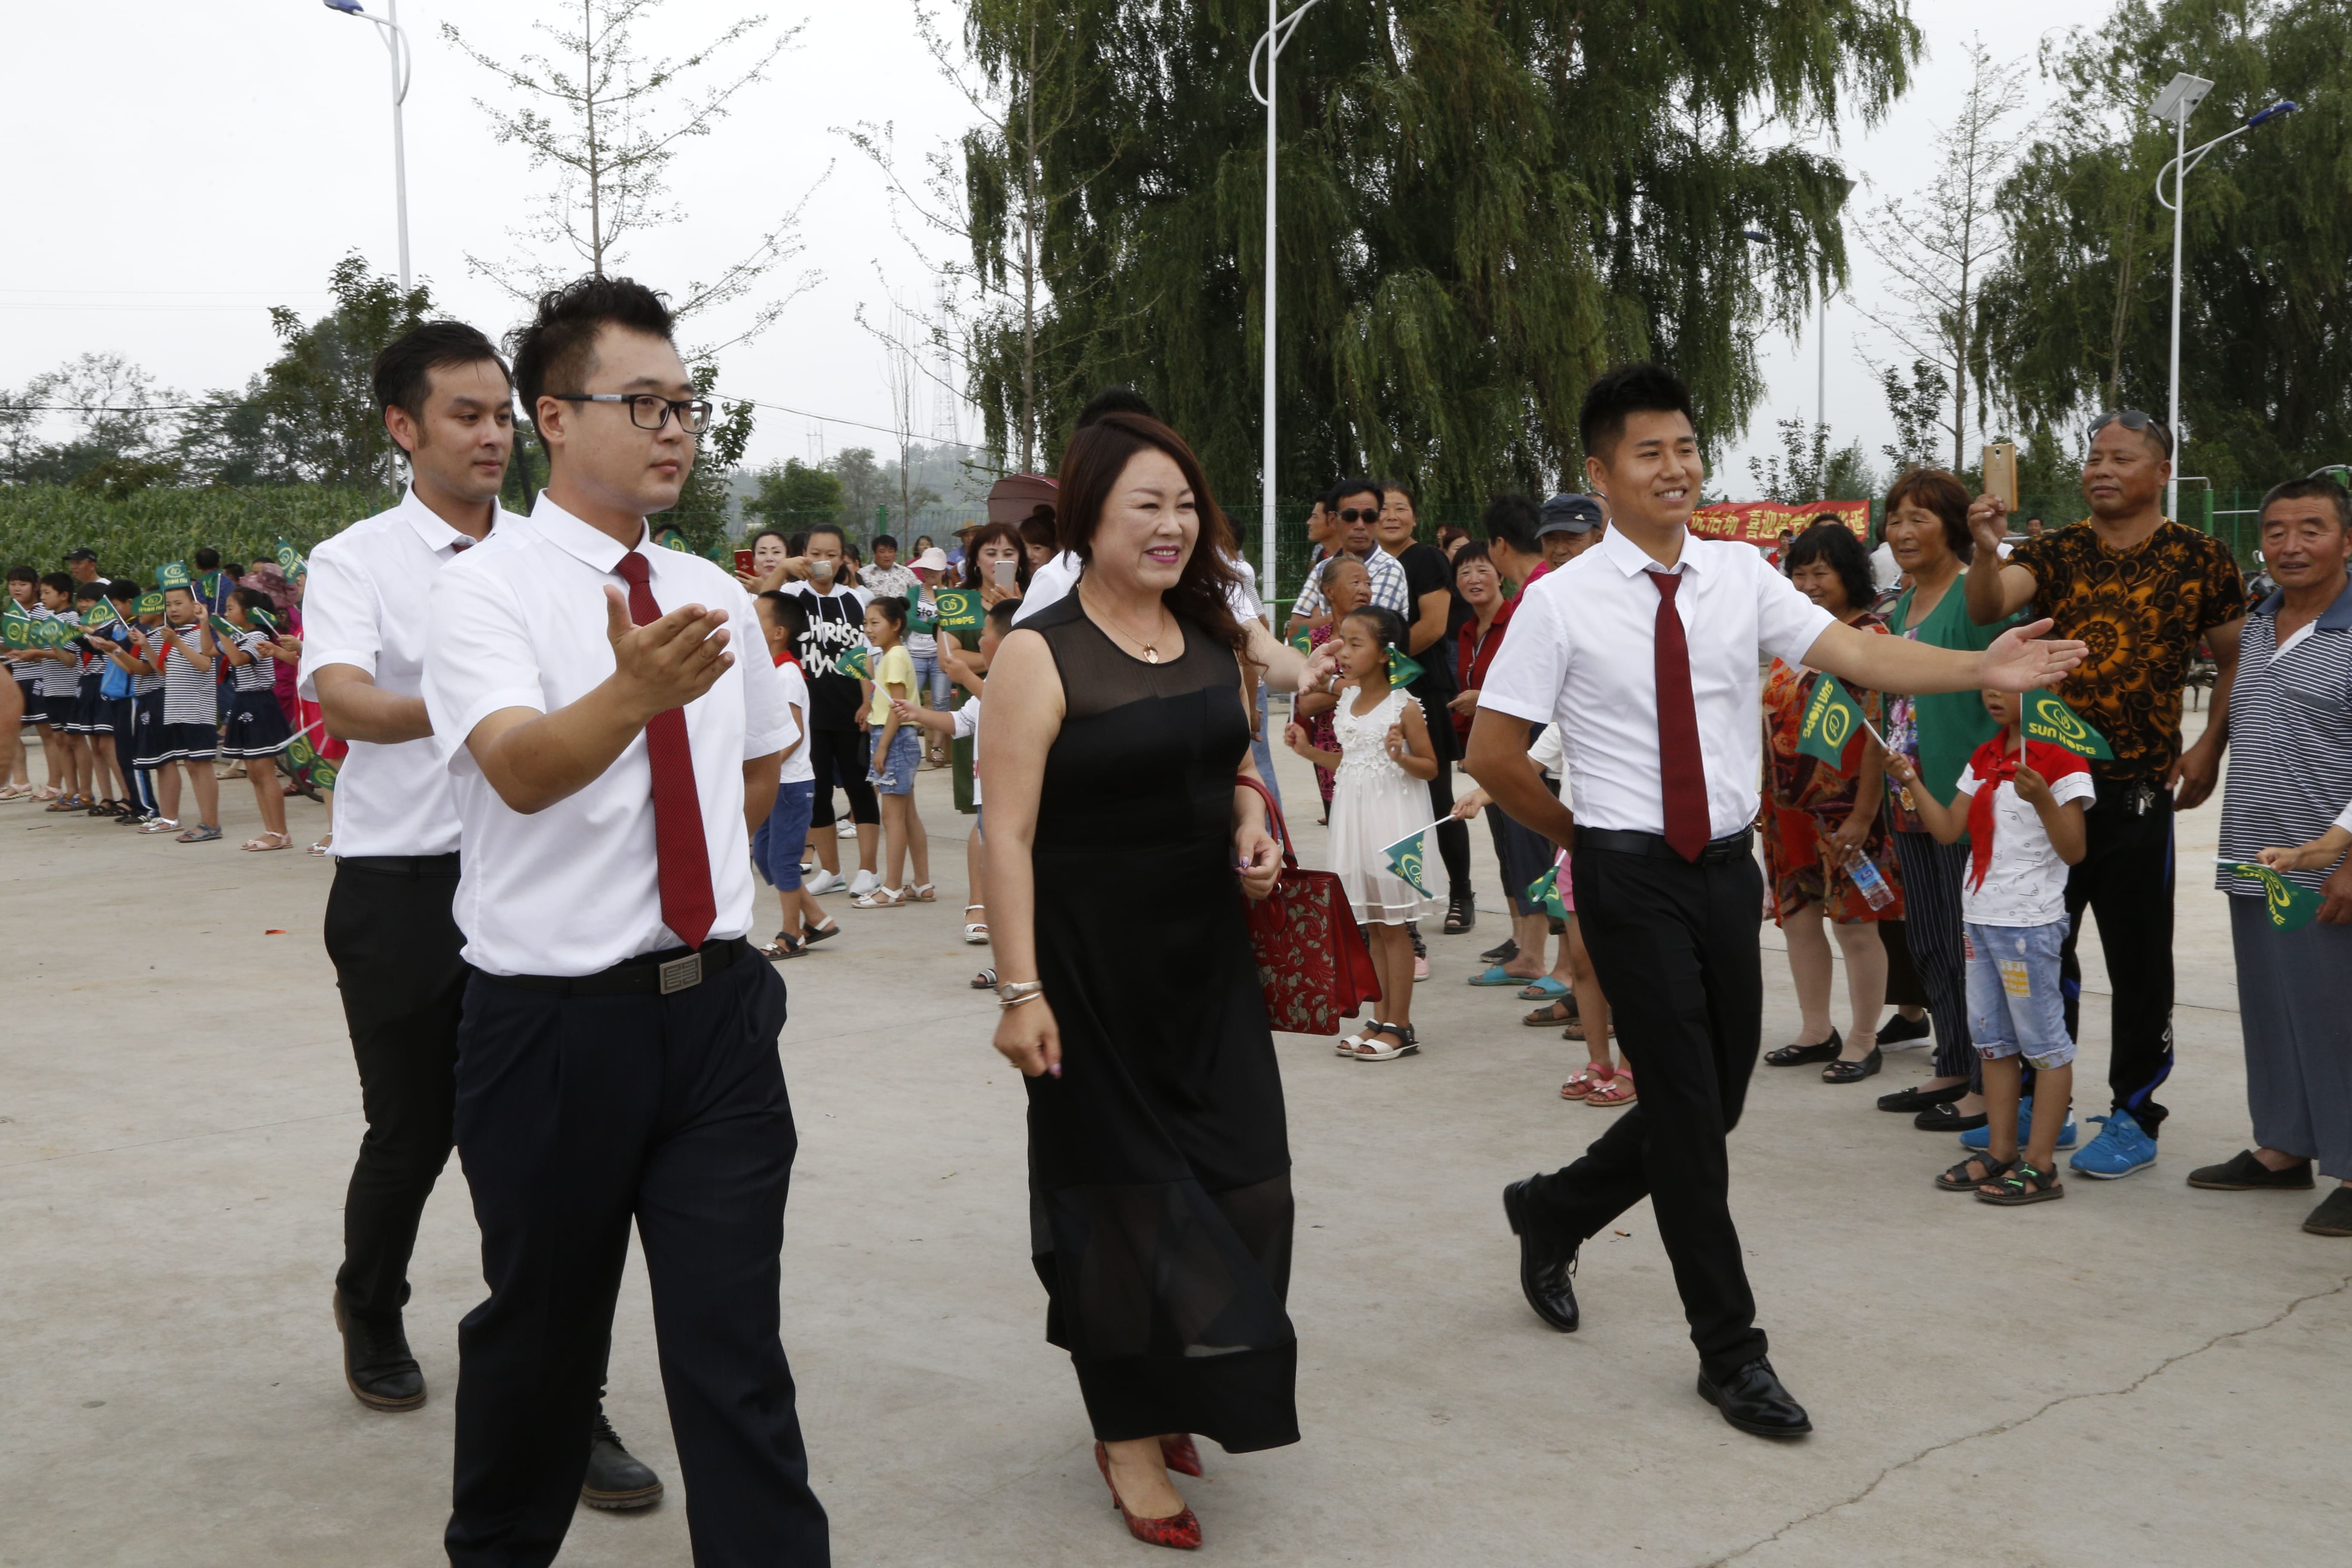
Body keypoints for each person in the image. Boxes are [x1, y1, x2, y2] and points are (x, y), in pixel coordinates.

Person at [1468, 363, 2085, 1438]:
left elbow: (1857, 651)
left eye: (1685, 447)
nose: (1675, 468)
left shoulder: (1737, 577)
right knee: (1691, 1132)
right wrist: (1584, 841)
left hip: (1720, 870)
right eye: (1648, 452)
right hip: (1627, 870)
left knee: (1711, 1102)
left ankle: (1553, 1206)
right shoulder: (1554, 604)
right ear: (1600, 473)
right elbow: (1494, 752)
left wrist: (1976, 663)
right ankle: (1729, 1352)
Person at [420, 275, 825, 1565]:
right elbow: (524, 768)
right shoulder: (487, 591)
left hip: (715, 1020)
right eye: (640, 403)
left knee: (736, 1354)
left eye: (686, 405)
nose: (674, 429)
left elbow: (756, 768)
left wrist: (696, 878)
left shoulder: (707, 585)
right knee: (539, 1347)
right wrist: (632, 698)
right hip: (551, 1031)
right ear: (553, 414)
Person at [303, 320, 665, 1508]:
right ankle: (373, 1306)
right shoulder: (355, 559)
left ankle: (573, 1406)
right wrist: (478, 702)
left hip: (536, 883)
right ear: (403, 428)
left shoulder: (558, 555)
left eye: (504, 413)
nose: (493, 435)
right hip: (402, 885)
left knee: (558, 1159)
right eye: (466, 415)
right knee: (413, 1132)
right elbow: (348, 702)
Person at [982, 410, 1295, 1550]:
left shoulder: (1213, 637)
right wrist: (1021, 995)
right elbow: (1003, 836)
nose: (1172, 527)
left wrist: (1254, 819)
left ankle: (1162, 1383)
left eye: (1185, 507)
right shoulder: (1040, 651)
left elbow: (1235, 760)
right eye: (1144, 508)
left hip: (1206, 963)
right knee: (1116, 1207)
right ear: (1089, 522)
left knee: (1248, 1188)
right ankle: (1126, 1429)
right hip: (1086, 971)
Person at [1963, 409, 2245, 1178]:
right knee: (2038, 948)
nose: (2099, 469)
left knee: (2138, 961)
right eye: (2092, 456)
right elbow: (1989, 605)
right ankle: (2032, 1103)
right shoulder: (2053, 550)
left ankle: (2133, 1111)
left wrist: (2207, 745)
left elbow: (2233, 659)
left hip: (2138, 790)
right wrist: (1987, 551)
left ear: (2161, 473)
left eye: (2121, 457)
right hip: (2045, 788)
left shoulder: (2201, 558)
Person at [2193, 476, 2352, 1237]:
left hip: (2331, 866)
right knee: (2272, 1008)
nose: (2291, 544)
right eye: (2277, 530)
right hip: (2253, 856)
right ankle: (2283, 1145)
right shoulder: (2258, 624)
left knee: (2338, 1016)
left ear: (2345, 541)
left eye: (2311, 528)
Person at [1890, 692, 2093, 1205]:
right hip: (1979, 921)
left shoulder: (2062, 758)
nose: (1993, 695)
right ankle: (2003, 1152)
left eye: (2009, 685)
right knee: (1993, 1042)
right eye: (1989, 684)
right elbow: (1949, 830)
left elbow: (2074, 850)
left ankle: (2042, 1166)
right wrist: (1910, 781)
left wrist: (2044, 798)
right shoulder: (1985, 756)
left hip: (2028, 928)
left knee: (2044, 1045)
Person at [1871, 470, 2021, 1136]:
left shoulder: (1975, 599)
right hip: (1911, 799)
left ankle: (1988, 1083)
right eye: (1895, 519)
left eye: (1919, 519)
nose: (1902, 532)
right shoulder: (1901, 608)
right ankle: (1953, 1063)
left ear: (1954, 527)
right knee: (1931, 940)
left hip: (1968, 803)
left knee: (1973, 948)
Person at [1757, 524, 1902, 1084]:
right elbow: (1773, 723)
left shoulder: (1870, 636)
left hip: (1848, 811)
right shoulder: (1790, 639)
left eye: (1823, 572)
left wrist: (1866, 814)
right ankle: (1816, 1030)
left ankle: (1865, 1039)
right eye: (1800, 573)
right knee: (1798, 919)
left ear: (1851, 574)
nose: (1810, 584)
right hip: (1785, 810)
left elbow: (1881, 733)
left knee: (1856, 925)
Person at [1286, 604, 1439, 1060]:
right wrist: (1309, 751)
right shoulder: (1347, 703)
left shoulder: (1404, 705)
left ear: (1384, 652)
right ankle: (1378, 1019)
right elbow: (1349, 763)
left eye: (1356, 644)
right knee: (1372, 927)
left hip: (1394, 824)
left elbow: (1430, 768)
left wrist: (1401, 757)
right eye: (1342, 643)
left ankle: (1402, 1026)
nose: (1344, 653)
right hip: (1354, 822)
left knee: (1395, 928)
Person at [895, 597, 1018, 983]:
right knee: (1000, 882)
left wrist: (966, 678)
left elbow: (1006, 708)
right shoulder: (989, 685)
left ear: (1005, 643)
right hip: (989, 798)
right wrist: (918, 714)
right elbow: (960, 722)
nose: (979, 640)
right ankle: (1009, 962)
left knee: (1015, 883)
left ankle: (1019, 964)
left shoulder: (1017, 684)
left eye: (984, 634)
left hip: (1013, 800)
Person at [1375, 479, 1476, 934]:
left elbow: (1433, 627)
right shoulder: (1361, 564)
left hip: (1421, 689)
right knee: (1381, 797)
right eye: (1383, 510)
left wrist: (1379, 667)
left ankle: (1461, 895)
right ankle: (1395, 905)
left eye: (1400, 508)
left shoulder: (1428, 560)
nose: (1391, 516)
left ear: (1415, 517)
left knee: (1436, 796)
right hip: (1373, 696)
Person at [784, 522, 881, 899]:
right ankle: (833, 871)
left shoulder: (859, 599)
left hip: (852, 711)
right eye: (815, 554)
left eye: (831, 555)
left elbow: (869, 655)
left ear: (845, 559)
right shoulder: (792, 594)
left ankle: (869, 871)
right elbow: (764, 612)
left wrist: (868, 702)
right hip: (809, 713)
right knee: (818, 792)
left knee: (860, 789)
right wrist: (784, 568)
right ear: (804, 555)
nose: (823, 562)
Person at [750, 590, 836, 958]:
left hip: (790, 783)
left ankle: (792, 934)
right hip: (777, 781)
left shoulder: (786, 674)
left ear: (778, 632)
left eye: (757, 618)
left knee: (783, 860)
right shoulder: (771, 670)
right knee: (766, 857)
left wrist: (759, 768)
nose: (749, 623)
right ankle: (817, 919)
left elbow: (794, 732)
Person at [854, 594, 932, 906]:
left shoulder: (896, 657)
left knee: (893, 817)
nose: (869, 629)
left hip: (895, 739)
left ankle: (891, 888)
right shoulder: (891, 655)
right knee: (907, 814)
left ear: (896, 625)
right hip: (899, 739)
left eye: (875, 623)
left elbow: (898, 709)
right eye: (865, 623)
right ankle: (923, 883)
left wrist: (882, 748)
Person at [138, 583, 224, 842]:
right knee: (191, 764)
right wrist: (145, 645)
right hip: (178, 710)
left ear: (194, 604)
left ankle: (211, 823)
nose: (173, 609)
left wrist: (176, 642)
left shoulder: (199, 632)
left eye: (179, 603)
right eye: (169, 605)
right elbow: (163, 671)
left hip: (197, 709)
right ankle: (206, 822)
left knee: (201, 765)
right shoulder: (176, 634)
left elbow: (205, 664)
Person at [215, 587, 300, 850]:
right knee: (254, 773)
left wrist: (222, 632)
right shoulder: (240, 637)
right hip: (244, 702)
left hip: (260, 703)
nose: (227, 613)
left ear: (250, 613)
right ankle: (271, 830)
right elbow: (209, 651)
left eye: (231, 608)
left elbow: (238, 660)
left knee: (264, 773)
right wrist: (210, 624)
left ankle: (280, 832)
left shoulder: (256, 636)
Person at [1288, 554, 1371, 819]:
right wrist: (1354, 686)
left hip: (1374, 751)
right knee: (1340, 837)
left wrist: (1330, 684)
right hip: (1327, 751)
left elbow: (1384, 690)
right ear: (1329, 591)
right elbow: (1307, 703)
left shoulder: (1383, 636)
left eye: (1368, 583)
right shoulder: (1313, 641)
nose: (1364, 589)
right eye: (1356, 582)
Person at [1285, 478, 1409, 639]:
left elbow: (1367, 633)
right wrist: (1338, 618)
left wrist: (1319, 618)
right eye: (1350, 516)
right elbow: (1294, 631)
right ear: (1332, 520)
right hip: (1323, 662)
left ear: (1378, 520)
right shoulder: (1322, 568)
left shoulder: (1390, 568)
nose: (1360, 525)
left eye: (1369, 517)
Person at [1533, 493, 1605, 579]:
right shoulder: (1537, 591)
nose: (1560, 551)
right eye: (1550, 539)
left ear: (1598, 541)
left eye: (1572, 539)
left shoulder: (1619, 588)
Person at [860, 533, 917, 605]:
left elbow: (918, 592)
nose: (887, 556)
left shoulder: (906, 572)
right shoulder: (863, 574)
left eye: (891, 552)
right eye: (882, 552)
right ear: (875, 554)